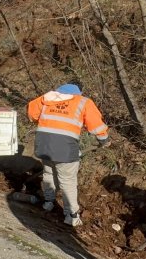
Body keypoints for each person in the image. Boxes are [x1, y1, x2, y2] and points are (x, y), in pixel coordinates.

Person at [26, 83, 110, 226]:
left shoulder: (47, 98)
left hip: (44, 143)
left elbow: (32, 114)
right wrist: (104, 139)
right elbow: (96, 124)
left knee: (48, 173)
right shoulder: (83, 102)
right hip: (64, 148)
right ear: (77, 93)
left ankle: (48, 202)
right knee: (67, 181)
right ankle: (71, 215)